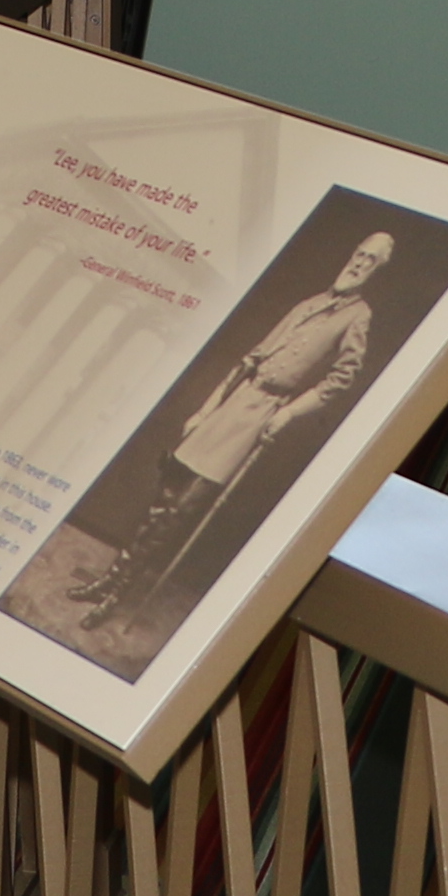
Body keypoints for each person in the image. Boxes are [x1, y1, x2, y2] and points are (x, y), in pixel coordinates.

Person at [110, 233, 395, 616]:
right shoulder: (310, 302)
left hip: (259, 414)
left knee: (181, 510)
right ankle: (112, 579)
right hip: (236, 399)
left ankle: (118, 598)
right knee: (166, 493)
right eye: (359, 253)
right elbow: (250, 358)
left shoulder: (359, 316)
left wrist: (289, 412)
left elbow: (341, 379)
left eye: (371, 260)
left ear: (378, 271)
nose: (360, 263)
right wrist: (207, 409)